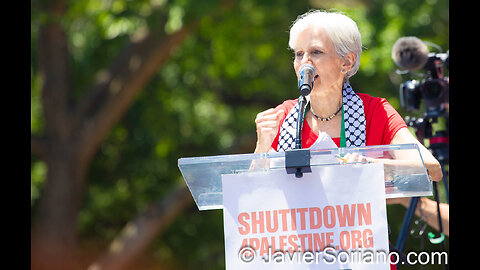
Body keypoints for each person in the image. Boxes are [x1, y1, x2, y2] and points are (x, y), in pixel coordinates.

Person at [253, 9, 443, 182]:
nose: (305, 63)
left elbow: (432, 169)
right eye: (299, 54)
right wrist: (262, 148)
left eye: (316, 52)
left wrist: (373, 167)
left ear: (347, 62)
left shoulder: (375, 112)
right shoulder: (283, 116)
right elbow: (252, 188)